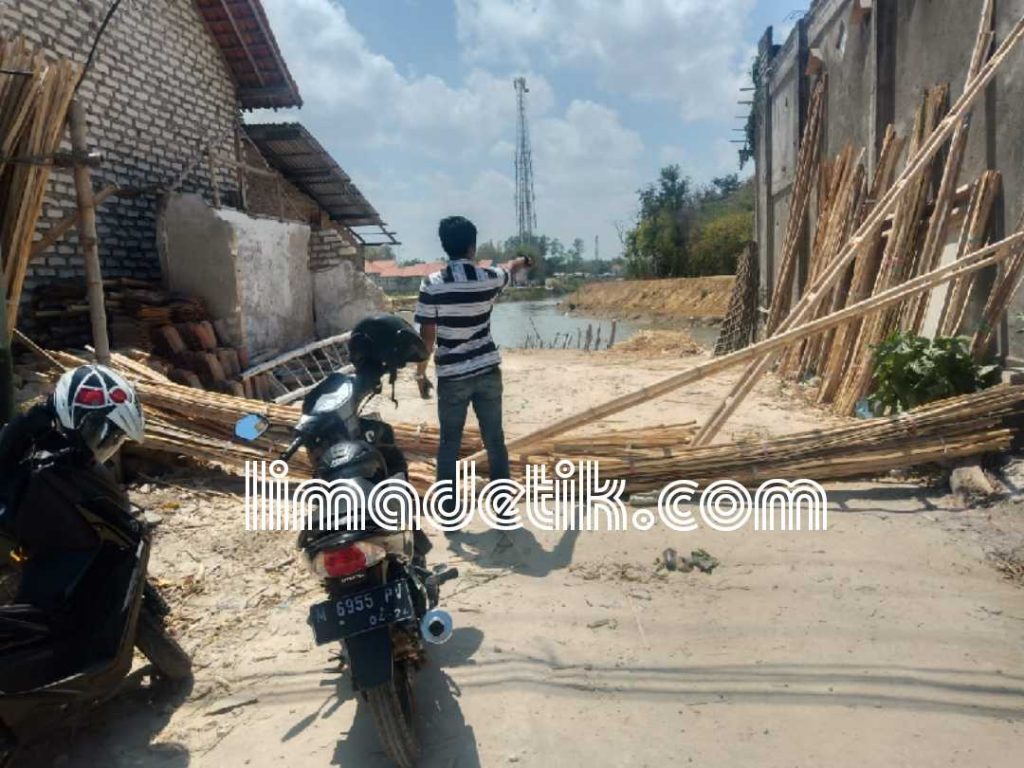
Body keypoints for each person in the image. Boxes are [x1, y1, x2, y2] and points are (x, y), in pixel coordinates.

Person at [414, 216, 531, 497]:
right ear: (472, 247)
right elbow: (511, 268)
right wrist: (524, 260)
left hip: (452, 377)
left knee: (449, 444)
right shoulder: (488, 278)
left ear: (445, 246)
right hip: (487, 369)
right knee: (494, 439)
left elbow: (427, 337)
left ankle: (449, 511)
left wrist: (420, 372)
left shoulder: (431, 285)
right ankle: (502, 505)